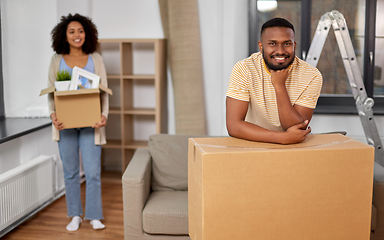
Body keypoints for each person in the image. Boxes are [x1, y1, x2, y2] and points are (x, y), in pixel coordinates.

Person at [48, 13, 109, 231]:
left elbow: (104, 92)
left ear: (87, 33)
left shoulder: (96, 59)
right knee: (71, 172)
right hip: (65, 125)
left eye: (81, 31)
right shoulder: (56, 60)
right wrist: (53, 115)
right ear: (64, 36)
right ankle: (75, 215)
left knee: (92, 172)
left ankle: (94, 216)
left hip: (91, 124)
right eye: (72, 31)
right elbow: (51, 93)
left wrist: (104, 115)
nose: (77, 35)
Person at [226, 17, 323, 144]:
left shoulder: (312, 75)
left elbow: (296, 127)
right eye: (272, 44)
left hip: (291, 146)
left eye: (287, 44)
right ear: (261, 46)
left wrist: (279, 86)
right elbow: (234, 126)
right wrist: (281, 138)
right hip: (251, 142)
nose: (280, 51)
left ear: (294, 45)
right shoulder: (244, 69)